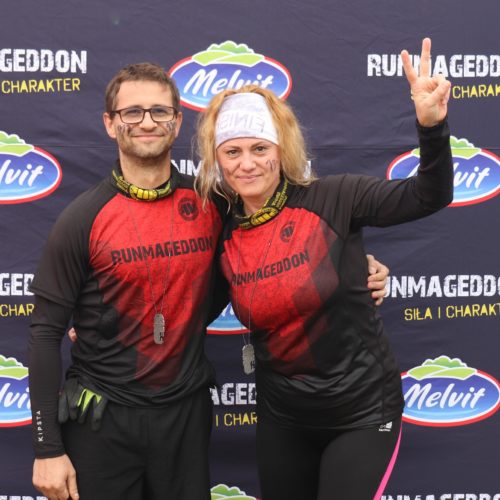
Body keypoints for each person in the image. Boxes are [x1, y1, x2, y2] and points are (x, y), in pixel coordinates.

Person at [28, 62, 390, 500]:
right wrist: (47, 448)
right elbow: (44, 332)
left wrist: (353, 267)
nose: (147, 122)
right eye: (132, 112)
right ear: (110, 123)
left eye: (160, 111)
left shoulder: (214, 204)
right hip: (102, 419)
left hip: (184, 416)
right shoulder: (82, 218)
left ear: (177, 121)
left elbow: (281, 244)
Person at [195, 37, 452, 500]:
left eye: (260, 148)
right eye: (232, 152)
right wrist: (102, 324)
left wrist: (431, 128)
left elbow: (426, 196)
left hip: (362, 412)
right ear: (217, 159)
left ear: (281, 150)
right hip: (283, 417)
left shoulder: (333, 198)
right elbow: (189, 301)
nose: (247, 164)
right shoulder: (221, 226)